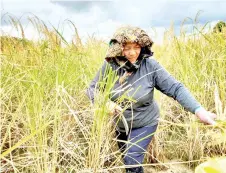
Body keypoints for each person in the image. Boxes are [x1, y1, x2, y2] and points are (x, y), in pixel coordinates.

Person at [86, 26, 216, 173]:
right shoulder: (109, 66)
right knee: (128, 162)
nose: (133, 52)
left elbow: (175, 88)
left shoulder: (150, 66)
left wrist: (198, 110)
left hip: (145, 123)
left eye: (136, 47)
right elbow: (92, 89)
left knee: (131, 160)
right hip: (121, 125)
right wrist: (104, 103)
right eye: (127, 48)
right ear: (118, 48)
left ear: (143, 46)